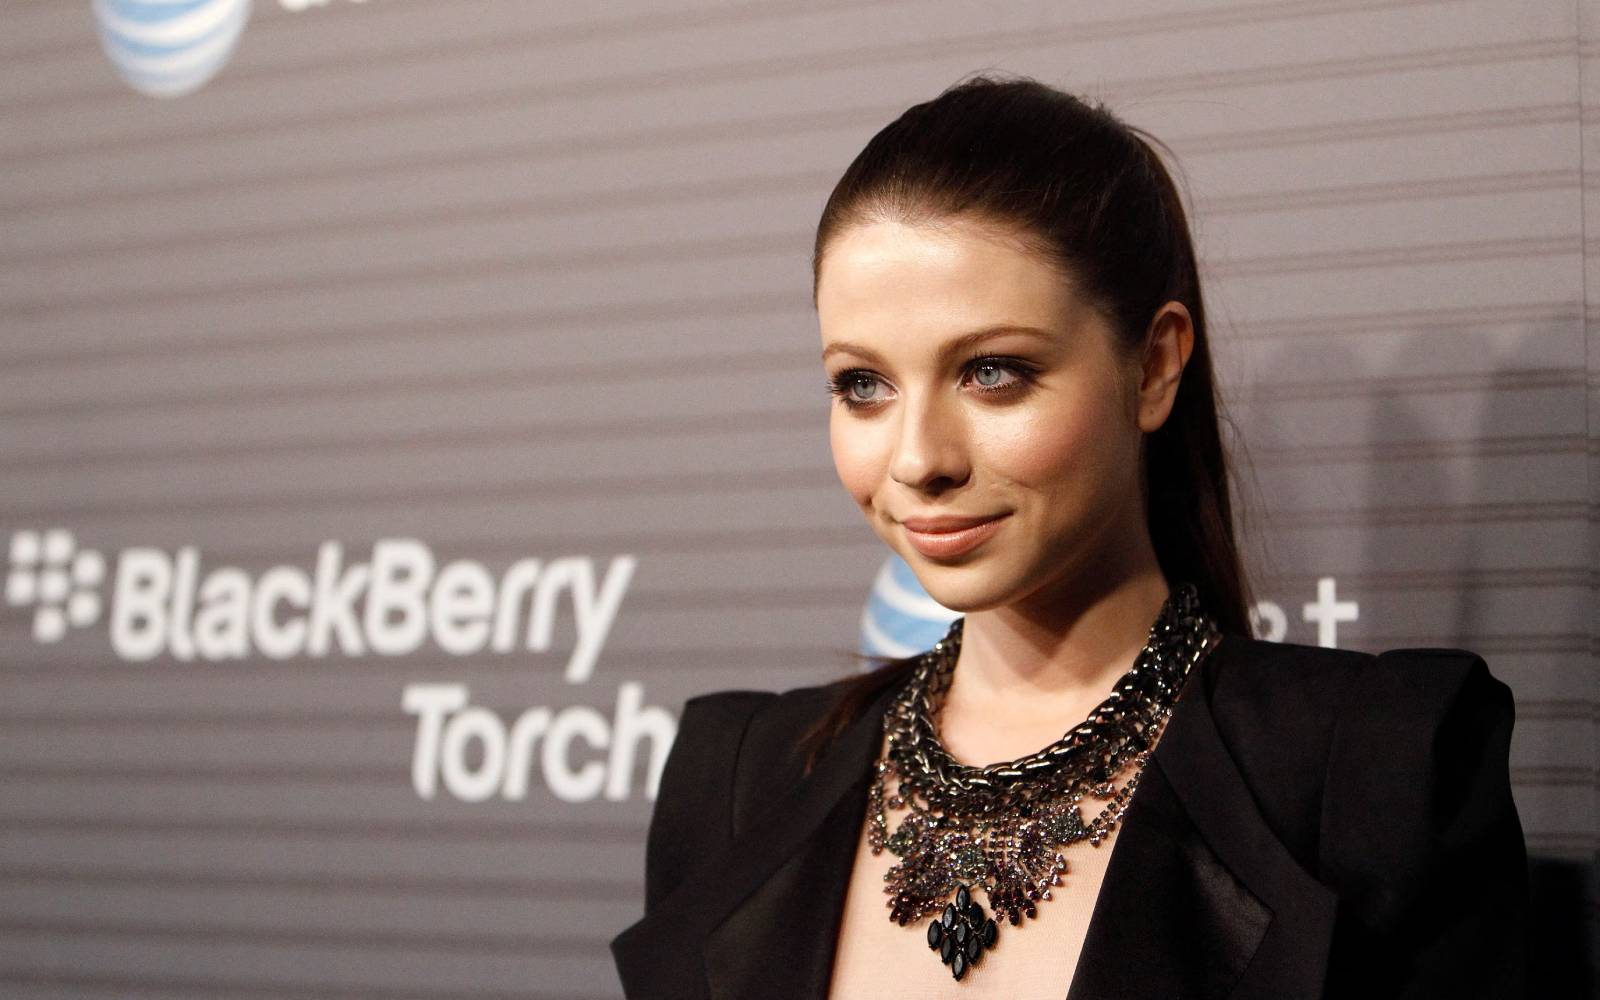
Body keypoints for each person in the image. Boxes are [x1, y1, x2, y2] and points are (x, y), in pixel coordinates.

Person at [609, 72, 1529, 999]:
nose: (919, 459)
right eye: (863, 385)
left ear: (1154, 366)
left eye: (992, 372)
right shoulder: (738, 786)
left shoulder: (1372, 775)